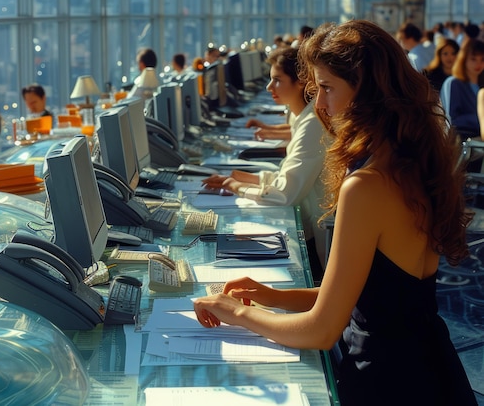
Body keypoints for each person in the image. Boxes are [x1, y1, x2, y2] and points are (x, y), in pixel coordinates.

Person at [193, 20, 476, 406]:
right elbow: (368, 299)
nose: (320, 104)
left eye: (327, 88)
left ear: (368, 92)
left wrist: (236, 314)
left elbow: (322, 330)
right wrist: (270, 295)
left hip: (386, 383)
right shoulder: (410, 163)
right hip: (428, 370)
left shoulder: (367, 186)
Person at [200, 46, 329, 274]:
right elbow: (291, 177)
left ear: (301, 81)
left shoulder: (313, 124)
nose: (269, 87)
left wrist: (238, 187)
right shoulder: (306, 119)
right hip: (313, 230)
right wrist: (250, 179)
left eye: (277, 80)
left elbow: (287, 194)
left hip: (319, 242)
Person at [440, 38, 484, 140]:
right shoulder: (454, 83)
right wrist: (480, 118)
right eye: (473, 59)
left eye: (482, 59)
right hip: (463, 144)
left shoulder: (481, 83)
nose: (478, 64)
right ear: (464, 59)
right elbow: (452, 119)